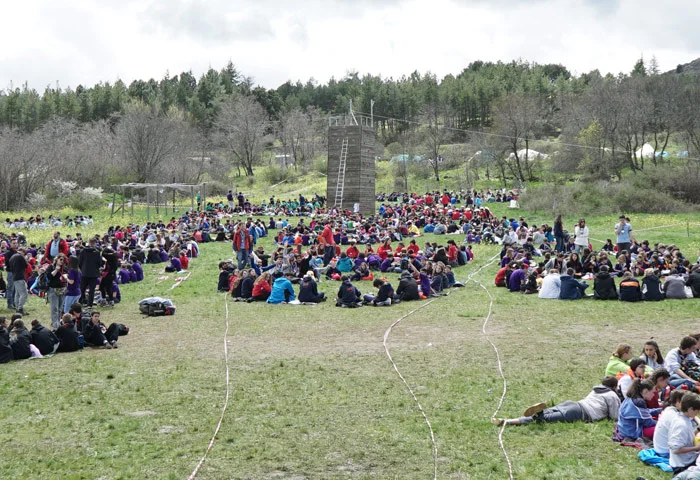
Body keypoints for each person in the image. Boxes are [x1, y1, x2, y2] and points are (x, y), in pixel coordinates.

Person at [491, 375, 620, 426]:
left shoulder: (596, 389)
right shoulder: (612, 395)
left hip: (574, 403)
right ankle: (506, 422)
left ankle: (538, 411)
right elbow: (614, 416)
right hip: (581, 413)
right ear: (614, 386)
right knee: (544, 420)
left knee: (548, 412)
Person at [668, 393, 700, 470]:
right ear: (691, 409)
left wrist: (698, 429)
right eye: (697, 410)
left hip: (686, 459)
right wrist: (696, 448)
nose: (698, 413)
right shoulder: (681, 424)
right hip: (683, 464)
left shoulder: (683, 418)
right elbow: (676, 450)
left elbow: (687, 437)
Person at [652, 389, 687, 458]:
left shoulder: (669, 410)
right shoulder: (676, 417)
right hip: (666, 453)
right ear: (678, 402)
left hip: (660, 449)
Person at [47, 253, 68, 329]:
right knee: (54, 308)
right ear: (56, 259)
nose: (62, 261)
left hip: (62, 289)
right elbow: (49, 276)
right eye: (61, 260)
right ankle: (55, 324)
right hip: (53, 289)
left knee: (60, 308)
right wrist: (56, 269)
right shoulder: (51, 267)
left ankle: (58, 322)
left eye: (63, 260)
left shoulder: (65, 268)